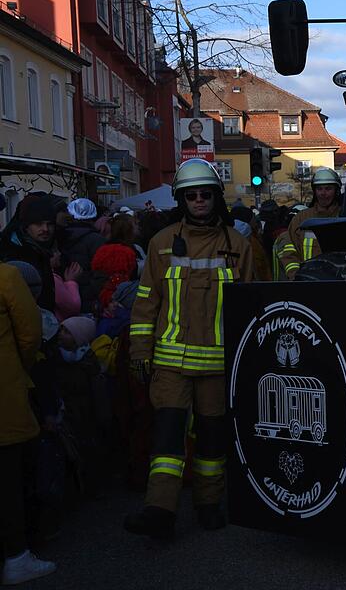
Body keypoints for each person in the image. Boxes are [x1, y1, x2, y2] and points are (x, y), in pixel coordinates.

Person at [123, 159, 254, 540]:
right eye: (191, 195)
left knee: (212, 440)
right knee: (166, 440)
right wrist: (139, 352)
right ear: (182, 199)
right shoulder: (161, 244)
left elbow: (250, 305)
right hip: (170, 364)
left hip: (217, 365)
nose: (199, 200)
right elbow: (146, 303)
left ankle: (208, 504)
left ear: (215, 197)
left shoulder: (238, 245)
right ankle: (159, 510)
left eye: (206, 194)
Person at [0, 263, 54, 584]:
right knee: (9, 481)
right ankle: (17, 556)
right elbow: (31, 332)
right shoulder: (6, 276)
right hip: (5, 397)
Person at [278, 168, 342, 279]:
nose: (323, 193)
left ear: (336, 191)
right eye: (319, 189)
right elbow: (289, 251)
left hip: (339, 282)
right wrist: (296, 277)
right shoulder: (301, 219)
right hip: (308, 282)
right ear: (314, 191)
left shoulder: (345, 217)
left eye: (328, 189)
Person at [0, 195, 58, 312]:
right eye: (38, 224)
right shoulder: (15, 252)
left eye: (49, 224)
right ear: (26, 227)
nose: (45, 229)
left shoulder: (42, 249)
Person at [60, 199, 105, 312]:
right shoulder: (97, 239)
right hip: (89, 300)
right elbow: (101, 274)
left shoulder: (58, 236)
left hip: (62, 297)